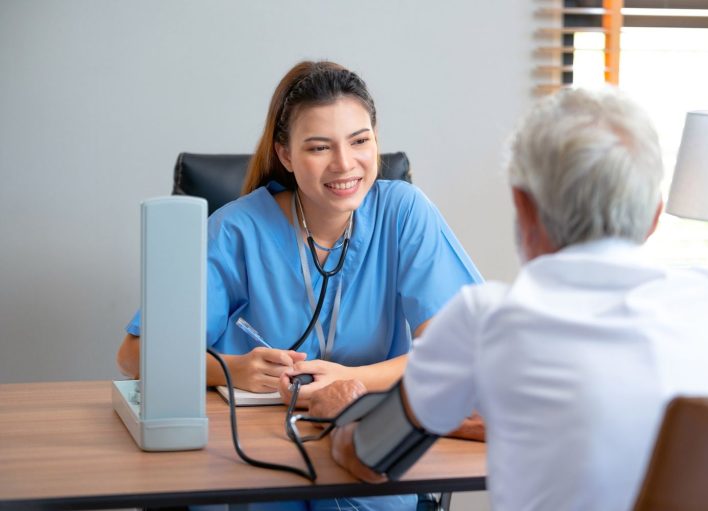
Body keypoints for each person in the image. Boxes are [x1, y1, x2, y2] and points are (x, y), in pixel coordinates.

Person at [315, 87, 708, 511]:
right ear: (654, 216)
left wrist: (348, 416)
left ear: (523, 206)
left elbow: (370, 458)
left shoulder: (486, 320)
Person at [116, 60, 482, 511]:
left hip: (365, 465)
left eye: (360, 141)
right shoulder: (238, 229)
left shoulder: (405, 213)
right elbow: (133, 354)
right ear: (286, 155)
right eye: (319, 147)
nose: (345, 164)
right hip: (256, 463)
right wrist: (233, 369)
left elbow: (457, 351)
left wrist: (351, 380)